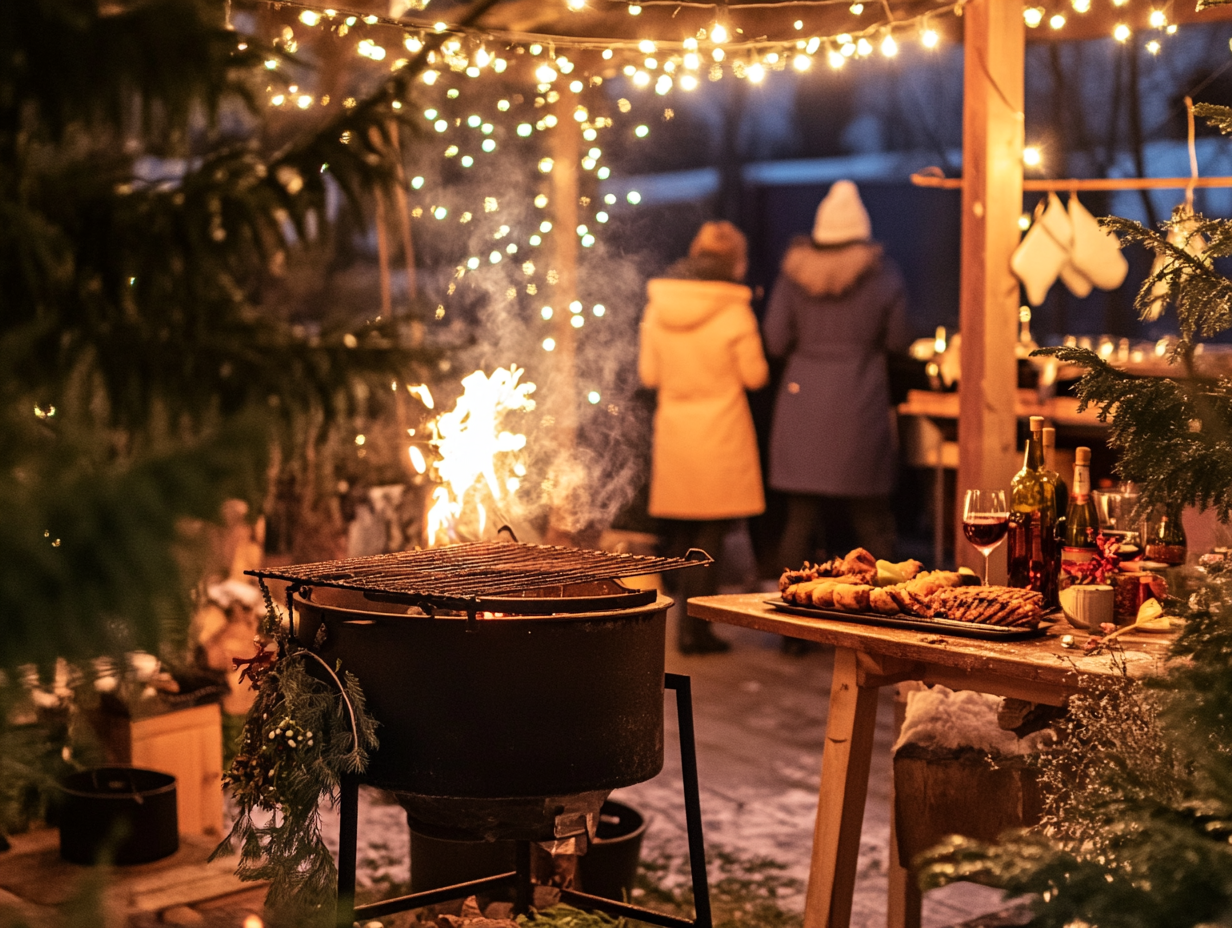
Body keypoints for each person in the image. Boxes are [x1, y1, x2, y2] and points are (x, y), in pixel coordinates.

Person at [764, 180, 911, 579]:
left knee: (799, 520)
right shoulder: (882, 274)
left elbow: (775, 340)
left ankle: (790, 625)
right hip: (860, 400)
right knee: (872, 520)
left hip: (802, 404)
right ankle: (886, 612)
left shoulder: (792, 276)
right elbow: (899, 340)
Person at [639, 220, 770, 654]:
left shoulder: (659, 305)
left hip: (676, 426)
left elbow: (649, 374)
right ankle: (696, 629)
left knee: (686, 535)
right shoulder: (735, 309)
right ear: (735, 260)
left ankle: (683, 630)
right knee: (710, 535)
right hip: (721, 427)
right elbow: (755, 375)